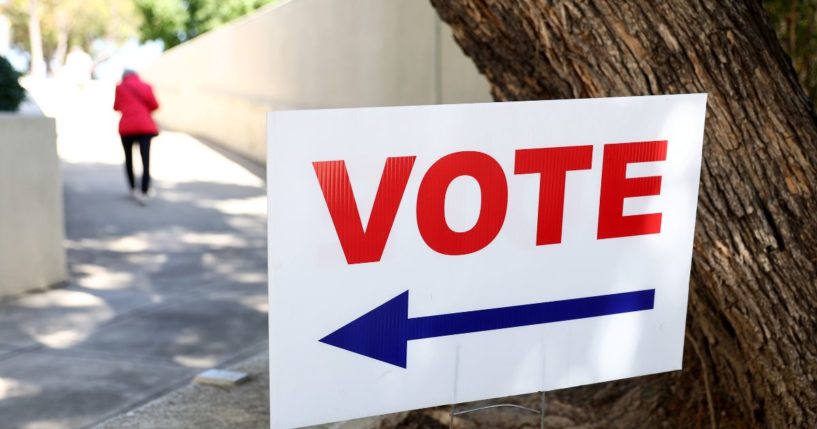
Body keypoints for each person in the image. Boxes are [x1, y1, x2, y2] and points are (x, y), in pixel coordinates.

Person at [113, 70, 159, 205]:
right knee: (146, 159)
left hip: (126, 127)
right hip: (145, 127)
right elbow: (155, 105)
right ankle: (144, 190)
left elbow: (116, 107)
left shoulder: (120, 87)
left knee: (129, 158)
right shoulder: (147, 86)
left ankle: (133, 188)